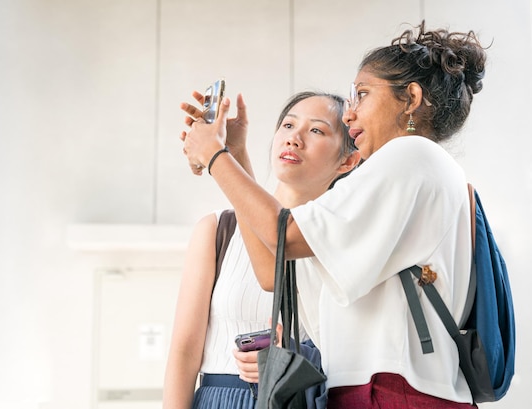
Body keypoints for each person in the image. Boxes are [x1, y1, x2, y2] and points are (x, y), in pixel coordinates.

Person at [180, 21, 487, 408]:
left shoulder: (409, 155)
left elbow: (283, 236)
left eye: (361, 94)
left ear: (410, 98)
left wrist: (214, 157)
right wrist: (235, 154)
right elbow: (271, 268)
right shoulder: (403, 176)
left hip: (391, 394)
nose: (351, 113)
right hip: (381, 391)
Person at [163, 91, 360, 409]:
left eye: (316, 130)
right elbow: (184, 351)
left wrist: (294, 354)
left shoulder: (343, 240)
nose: (294, 139)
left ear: (348, 160)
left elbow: (357, 350)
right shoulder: (217, 230)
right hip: (220, 399)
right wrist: (234, 151)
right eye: (287, 125)